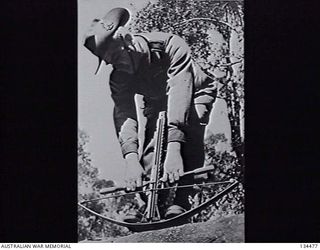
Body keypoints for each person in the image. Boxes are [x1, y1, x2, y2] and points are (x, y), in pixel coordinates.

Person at [83, 7, 221, 221]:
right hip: (157, 101)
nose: (115, 65)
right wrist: (130, 160)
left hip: (194, 91)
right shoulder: (119, 77)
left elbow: (179, 93)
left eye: (116, 57)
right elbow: (124, 114)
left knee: (189, 132)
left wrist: (174, 150)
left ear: (127, 39)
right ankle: (149, 202)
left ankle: (183, 200)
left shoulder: (170, 45)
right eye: (109, 62)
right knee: (151, 143)